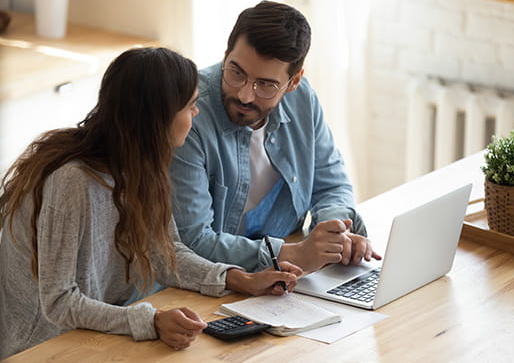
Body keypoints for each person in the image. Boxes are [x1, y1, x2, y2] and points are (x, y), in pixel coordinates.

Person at [0, 47, 302, 359]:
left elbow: (164, 254)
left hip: (94, 336)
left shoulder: (142, 167)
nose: (196, 114)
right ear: (157, 118)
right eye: (190, 106)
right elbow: (58, 300)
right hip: (38, 347)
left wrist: (240, 279)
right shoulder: (72, 182)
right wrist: (151, 321)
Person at [170, 1, 381, 273]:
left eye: (266, 85)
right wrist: (292, 254)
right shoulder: (189, 114)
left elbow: (331, 185)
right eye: (236, 73)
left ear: (293, 82)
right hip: (212, 280)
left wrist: (333, 233)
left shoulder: (303, 99)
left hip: (283, 276)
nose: (245, 95)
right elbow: (193, 241)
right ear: (225, 56)